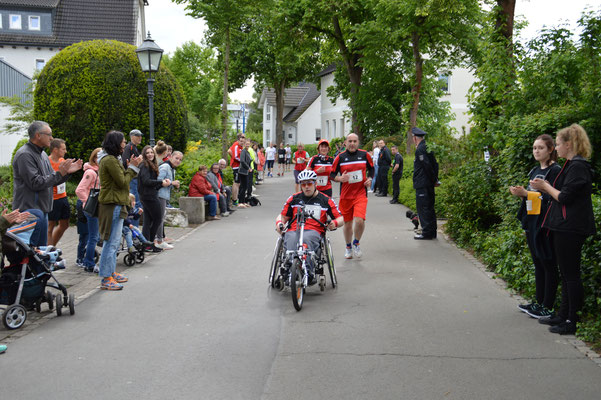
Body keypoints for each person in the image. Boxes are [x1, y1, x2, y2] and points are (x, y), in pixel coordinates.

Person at [530, 124, 596, 335]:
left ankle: (570, 319)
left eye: (557, 144)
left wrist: (545, 186)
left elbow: (565, 197)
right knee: (566, 273)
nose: (556, 148)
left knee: (570, 274)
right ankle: (563, 314)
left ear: (569, 144)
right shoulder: (571, 165)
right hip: (563, 226)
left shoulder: (578, 166)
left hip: (571, 227)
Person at [509, 134, 561, 319]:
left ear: (550, 150)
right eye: (534, 148)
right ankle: (538, 302)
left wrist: (527, 194)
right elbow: (534, 197)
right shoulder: (534, 171)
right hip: (532, 222)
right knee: (538, 263)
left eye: (540, 148)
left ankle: (548, 305)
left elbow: (553, 198)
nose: (536, 151)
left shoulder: (555, 172)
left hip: (546, 224)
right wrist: (522, 194)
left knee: (548, 263)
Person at [12, 121, 82, 246]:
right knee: (30, 254)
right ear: (38, 135)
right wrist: (59, 173)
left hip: (42, 210)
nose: (52, 138)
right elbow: (35, 183)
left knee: (40, 253)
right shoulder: (25, 155)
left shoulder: (42, 154)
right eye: (49, 134)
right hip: (29, 213)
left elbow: (52, 180)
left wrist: (65, 173)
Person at [275, 170, 344, 283]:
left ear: (315, 183)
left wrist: (334, 223)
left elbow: (341, 218)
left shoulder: (326, 200)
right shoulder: (293, 199)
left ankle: (308, 270)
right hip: (294, 229)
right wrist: (279, 224)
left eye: (309, 183)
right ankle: (289, 269)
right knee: (291, 238)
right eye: (303, 184)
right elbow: (282, 217)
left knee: (307, 240)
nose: (306, 187)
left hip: (314, 231)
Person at [97, 130, 142, 290]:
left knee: (114, 242)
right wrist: (132, 167)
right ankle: (106, 278)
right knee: (111, 242)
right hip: (112, 204)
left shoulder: (111, 159)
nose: (125, 144)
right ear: (116, 144)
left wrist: (131, 168)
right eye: (122, 142)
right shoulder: (109, 160)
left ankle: (111, 272)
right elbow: (123, 181)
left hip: (116, 203)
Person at [330, 133, 374, 259]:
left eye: (355, 141)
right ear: (346, 142)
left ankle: (356, 243)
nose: (352, 143)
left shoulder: (365, 155)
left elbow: (372, 169)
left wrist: (370, 179)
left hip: (360, 194)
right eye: (350, 141)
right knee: (347, 224)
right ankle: (348, 246)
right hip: (345, 196)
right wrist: (340, 178)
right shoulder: (340, 157)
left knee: (360, 220)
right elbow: (331, 175)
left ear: (358, 142)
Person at [138, 145, 171, 250]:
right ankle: (151, 243)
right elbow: (146, 181)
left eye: (151, 152)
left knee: (148, 221)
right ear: (144, 155)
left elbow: (153, 184)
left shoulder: (151, 165)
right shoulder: (144, 165)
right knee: (157, 219)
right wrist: (161, 181)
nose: (150, 154)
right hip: (149, 196)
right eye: (147, 153)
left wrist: (162, 184)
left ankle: (147, 244)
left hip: (149, 195)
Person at [75, 147, 102, 272]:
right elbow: (80, 190)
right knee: (93, 237)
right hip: (91, 208)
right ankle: (89, 263)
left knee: (92, 236)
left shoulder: (98, 171)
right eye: (98, 156)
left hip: (95, 207)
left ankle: (87, 261)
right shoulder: (91, 172)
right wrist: (87, 203)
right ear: (94, 158)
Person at [411, 127, 439, 240]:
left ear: (414, 138)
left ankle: (427, 233)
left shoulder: (420, 149)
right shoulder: (427, 147)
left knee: (423, 208)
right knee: (430, 207)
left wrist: (433, 180)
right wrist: (435, 179)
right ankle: (432, 232)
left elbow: (427, 165)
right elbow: (435, 164)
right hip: (428, 183)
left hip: (423, 184)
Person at [157, 151, 183, 249]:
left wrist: (174, 185)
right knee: (159, 218)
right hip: (160, 195)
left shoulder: (172, 169)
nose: (178, 161)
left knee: (160, 217)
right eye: (176, 158)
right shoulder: (165, 167)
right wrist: (172, 183)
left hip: (164, 195)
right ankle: (159, 241)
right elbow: (159, 181)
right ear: (170, 157)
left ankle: (159, 239)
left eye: (180, 159)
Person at [122, 129, 143, 226]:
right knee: (135, 204)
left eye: (140, 135)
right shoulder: (129, 147)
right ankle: (134, 230)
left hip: (135, 178)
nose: (140, 137)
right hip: (132, 179)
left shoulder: (133, 147)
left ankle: (134, 229)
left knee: (136, 203)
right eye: (137, 135)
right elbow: (125, 164)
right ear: (132, 136)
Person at [228, 133, 245, 206]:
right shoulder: (236, 145)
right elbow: (231, 153)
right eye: (242, 137)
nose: (243, 139)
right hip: (236, 166)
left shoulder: (240, 146)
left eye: (244, 138)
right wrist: (242, 161)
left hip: (239, 166)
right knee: (236, 182)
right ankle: (234, 200)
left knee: (238, 183)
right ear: (239, 138)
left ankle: (236, 199)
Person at [238, 139, 253, 208]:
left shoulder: (247, 152)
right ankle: (240, 202)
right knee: (243, 187)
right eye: (246, 144)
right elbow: (242, 161)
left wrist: (250, 168)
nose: (247, 145)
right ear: (244, 144)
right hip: (243, 171)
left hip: (246, 171)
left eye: (248, 144)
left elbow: (249, 161)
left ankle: (243, 201)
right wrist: (248, 168)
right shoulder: (243, 152)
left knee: (245, 186)